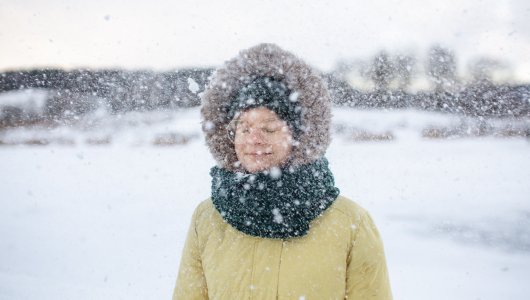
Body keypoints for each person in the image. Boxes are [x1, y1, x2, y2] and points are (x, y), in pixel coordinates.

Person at [173, 43, 392, 299]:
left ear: (298, 135)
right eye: (243, 128)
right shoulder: (206, 219)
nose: (254, 139)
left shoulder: (350, 224)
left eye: (269, 128)